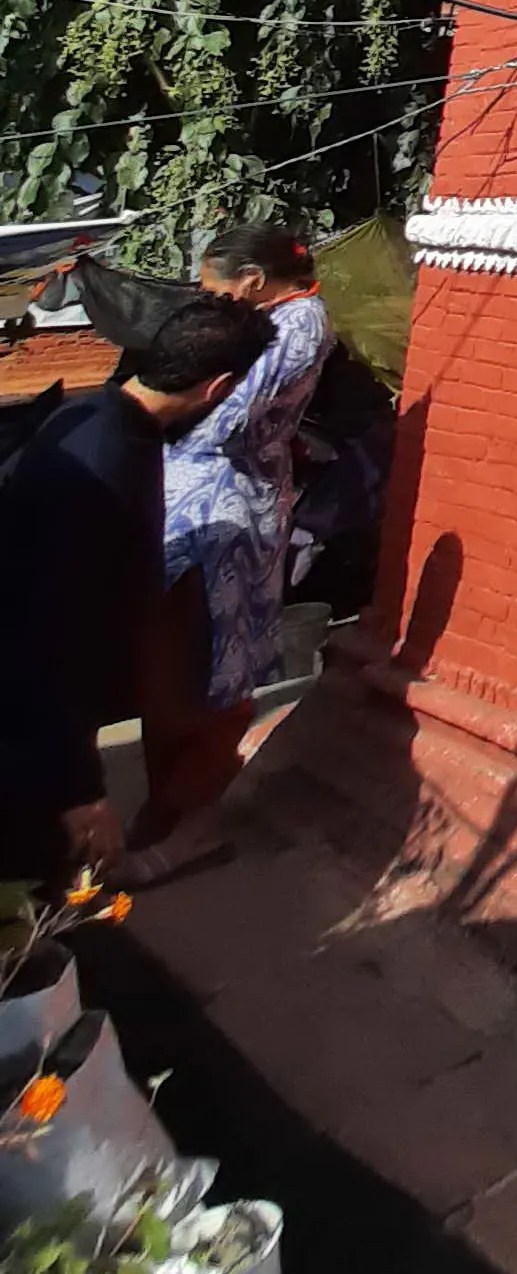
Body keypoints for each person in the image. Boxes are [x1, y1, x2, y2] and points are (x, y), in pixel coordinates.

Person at [0, 294, 273, 889]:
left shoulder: (97, 417)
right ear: (220, 387)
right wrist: (79, 789)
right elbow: (44, 639)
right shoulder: (106, 466)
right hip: (29, 741)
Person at [126, 219, 332, 883]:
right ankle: (165, 811)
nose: (209, 301)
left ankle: (189, 826)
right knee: (167, 669)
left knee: (212, 673)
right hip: (189, 505)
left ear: (251, 280)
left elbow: (229, 419)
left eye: (216, 289)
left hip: (225, 512)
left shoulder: (300, 324)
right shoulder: (269, 322)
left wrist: (163, 406)